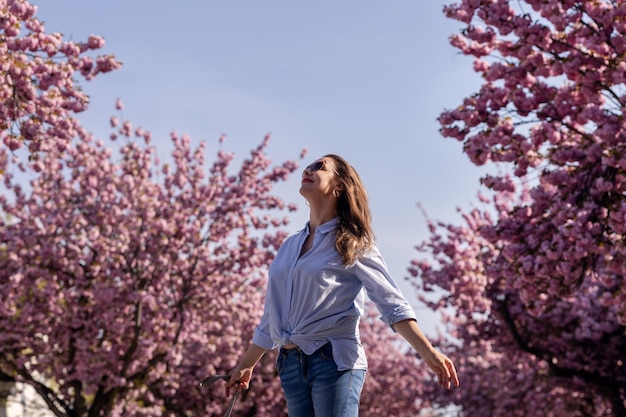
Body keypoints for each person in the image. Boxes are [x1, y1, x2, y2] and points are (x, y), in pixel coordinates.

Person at [226, 154, 459, 417]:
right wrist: (246, 366)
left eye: (319, 166)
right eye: (308, 166)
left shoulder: (352, 242)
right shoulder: (289, 246)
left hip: (334, 362)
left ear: (338, 186)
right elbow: (272, 317)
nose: (308, 169)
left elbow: (391, 303)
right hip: (289, 365)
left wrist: (428, 352)